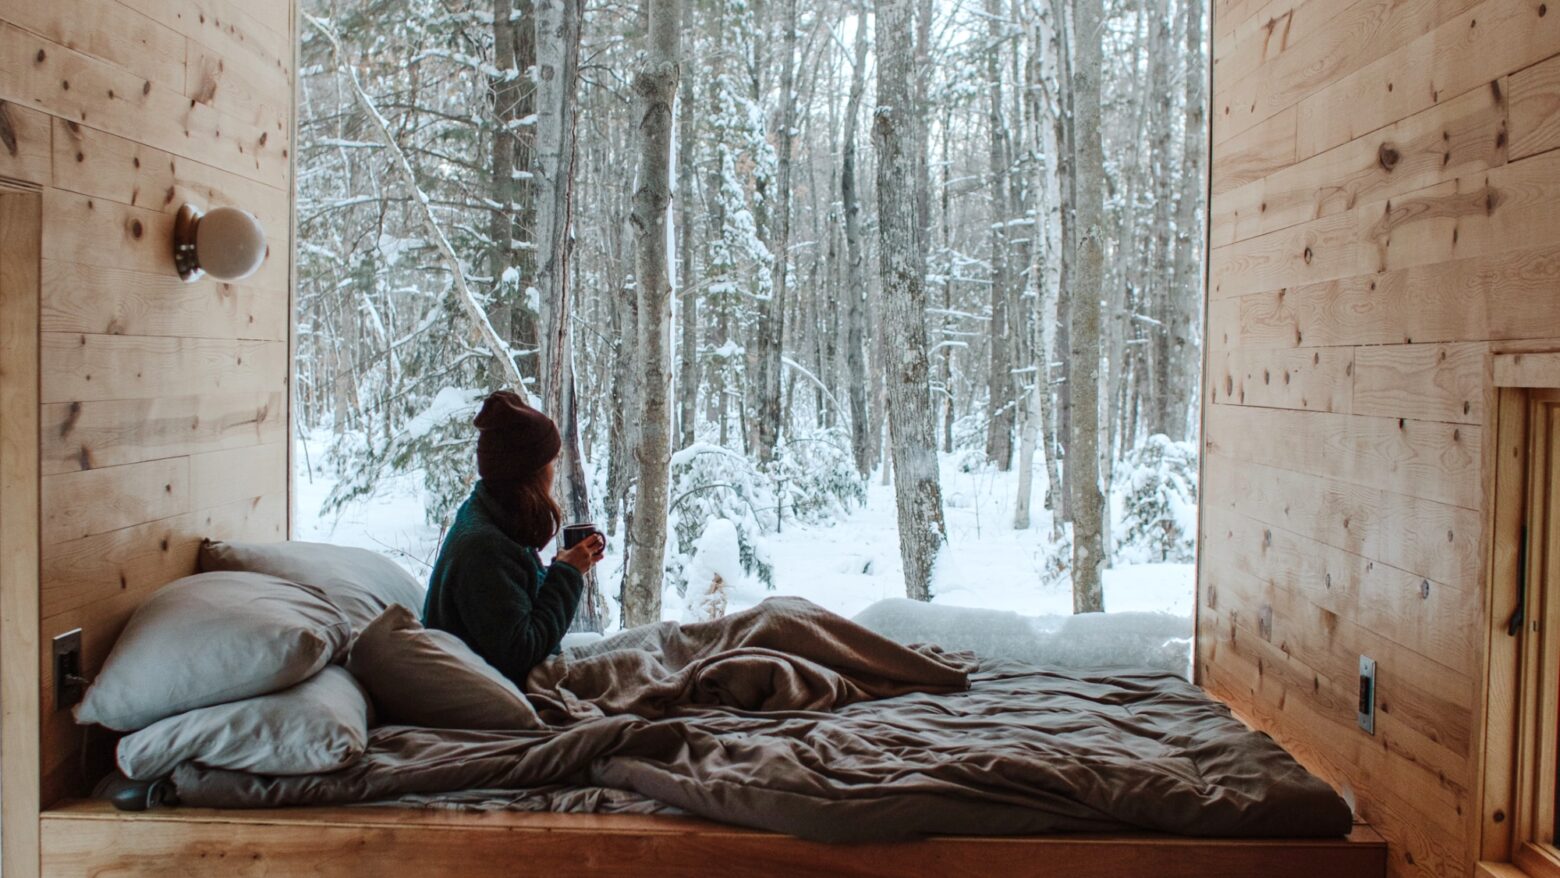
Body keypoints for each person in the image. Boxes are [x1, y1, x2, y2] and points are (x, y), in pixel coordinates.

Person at [423, 390, 606, 683]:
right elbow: (522, 651)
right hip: (493, 689)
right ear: (529, 472)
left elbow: (509, 602)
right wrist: (568, 574)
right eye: (552, 461)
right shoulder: (485, 549)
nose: (554, 470)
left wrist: (559, 568)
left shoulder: (489, 517)